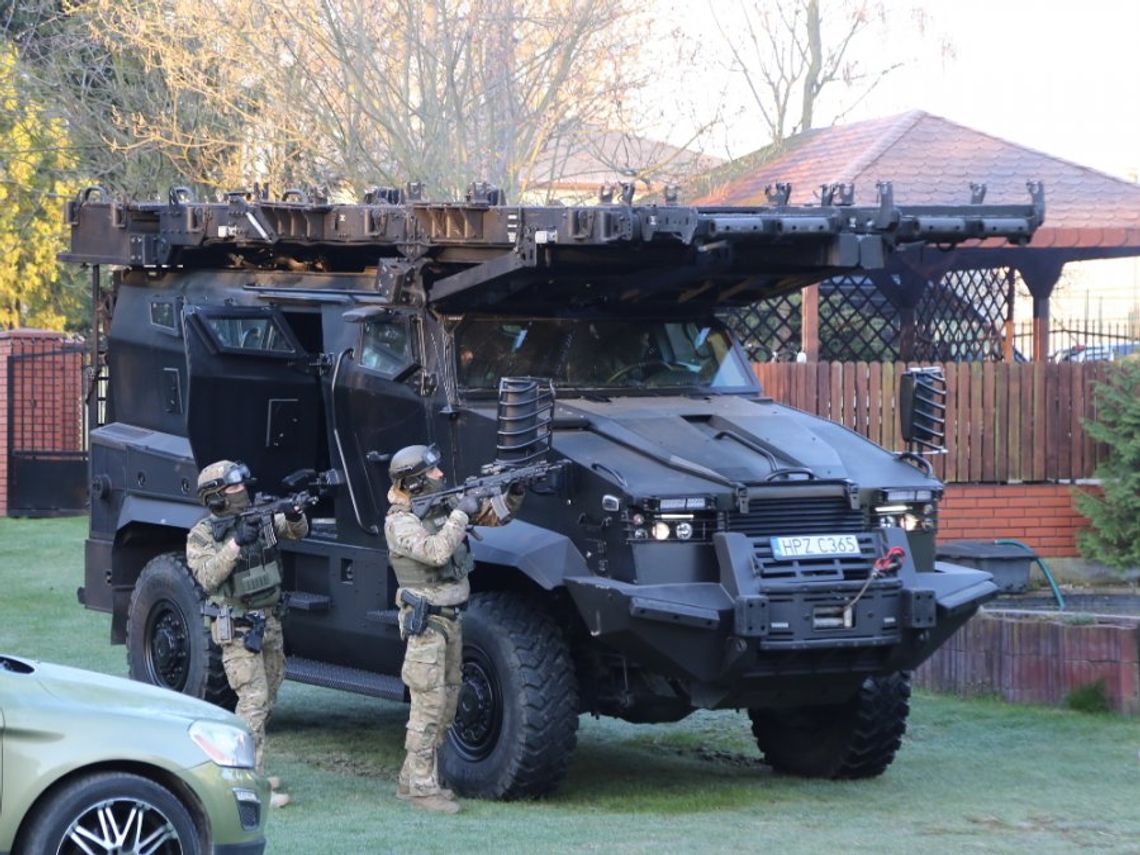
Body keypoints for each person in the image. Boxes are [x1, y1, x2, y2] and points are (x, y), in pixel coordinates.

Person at [384, 444, 524, 814]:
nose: (440, 476)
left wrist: (512, 491)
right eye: (432, 473)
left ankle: (410, 779)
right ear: (414, 482)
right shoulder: (400, 521)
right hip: (426, 622)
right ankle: (421, 789)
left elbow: (495, 516)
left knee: (447, 705)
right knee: (427, 708)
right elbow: (435, 552)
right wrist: (460, 514)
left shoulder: (440, 506)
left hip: (451, 618)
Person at [186, 460, 309, 809]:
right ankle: (244, 786)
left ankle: (253, 770)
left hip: (269, 621)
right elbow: (208, 576)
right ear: (215, 498)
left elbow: (294, 530)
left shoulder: (260, 516)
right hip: (238, 626)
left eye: (242, 486)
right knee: (252, 703)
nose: (242, 492)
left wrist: (294, 512)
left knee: (267, 699)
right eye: (232, 488)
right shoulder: (202, 535)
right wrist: (236, 543)